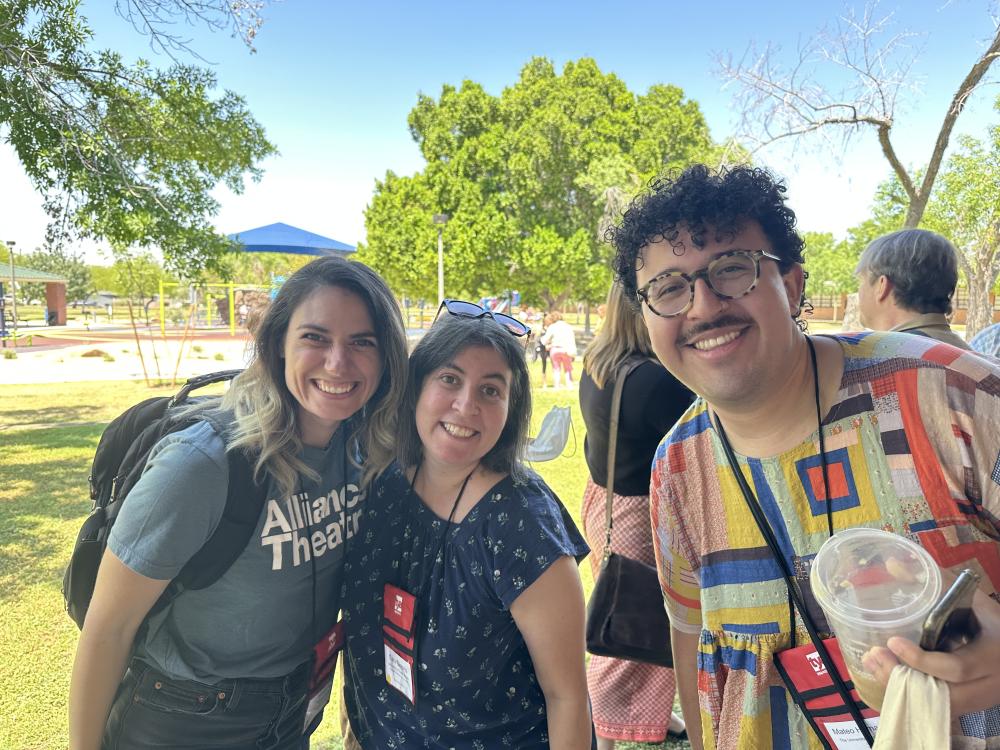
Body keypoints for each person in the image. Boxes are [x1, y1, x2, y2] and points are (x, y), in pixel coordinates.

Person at [609, 164, 1000, 750]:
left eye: (733, 269)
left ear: (791, 287)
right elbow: (691, 640)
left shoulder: (951, 395)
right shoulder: (677, 468)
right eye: (669, 287)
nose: (703, 306)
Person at [69, 256, 409, 750]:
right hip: (184, 714)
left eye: (363, 342)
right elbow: (107, 629)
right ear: (278, 345)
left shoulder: (364, 449)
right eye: (315, 337)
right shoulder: (203, 463)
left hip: (292, 708)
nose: (338, 362)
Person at [342, 302, 592, 749]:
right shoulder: (379, 480)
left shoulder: (522, 524)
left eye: (491, 390)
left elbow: (567, 697)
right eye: (450, 379)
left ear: (511, 409)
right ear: (416, 387)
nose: (465, 406)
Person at [579, 282, 693, 748]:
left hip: (602, 502)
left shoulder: (598, 364)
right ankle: (604, 735)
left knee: (625, 609)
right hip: (639, 512)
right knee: (630, 624)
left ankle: (653, 716)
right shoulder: (655, 380)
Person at [855, 228, 970, 349]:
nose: (859, 290)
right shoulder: (973, 357)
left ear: (881, 285)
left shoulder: (875, 359)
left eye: (861, 280)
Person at [541, 311, 578, 388]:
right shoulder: (568, 326)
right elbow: (572, 339)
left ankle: (556, 386)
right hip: (566, 349)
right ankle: (569, 385)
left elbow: (544, 340)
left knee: (556, 369)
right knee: (567, 369)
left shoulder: (552, 327)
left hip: (555, 349)